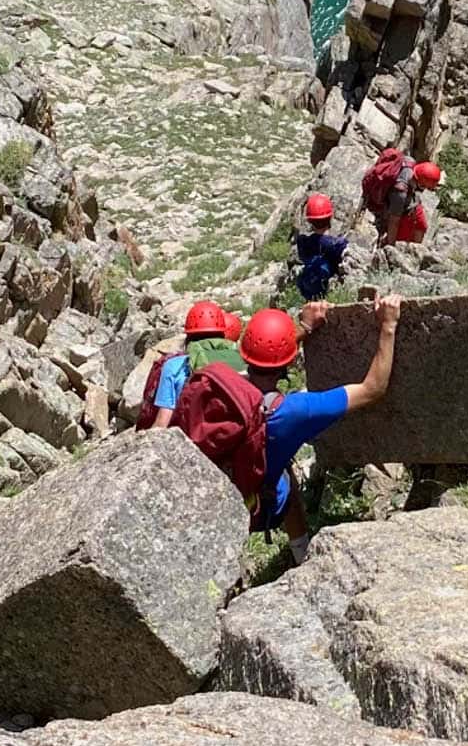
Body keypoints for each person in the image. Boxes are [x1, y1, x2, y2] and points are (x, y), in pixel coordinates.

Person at [241, 292, 402, 551]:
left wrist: (304, 327)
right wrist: (388, 326)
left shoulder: (226, 384)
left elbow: (265, 357)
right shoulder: (293, 411)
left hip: (218, 494)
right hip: (255, 507)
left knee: (280, 466)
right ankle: (301, 554)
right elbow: (373, 389)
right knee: (283, 473)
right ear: (291, 361)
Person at [139, 300, 245, 429]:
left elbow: (162, 422)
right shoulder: (241, 361)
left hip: (192, 440)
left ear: (188, 336)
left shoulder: (173, 366)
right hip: (236, 439)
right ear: (223, 335)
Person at [362, 150, 442, 252]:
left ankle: (415, 251)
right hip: (398, 209)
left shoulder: (410, 162)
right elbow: (394, 221)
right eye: (425, 187)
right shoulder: (400, 193)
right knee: (404, 234)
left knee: (422, 225)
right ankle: (400, 249)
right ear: (420, 184)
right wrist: (390, 248)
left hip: (410, 201)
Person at [291, 193, 351, 302]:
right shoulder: (336, 245)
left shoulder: (303, 242)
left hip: (308, 290)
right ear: (330, 218)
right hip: (327, 290)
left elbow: (302, 254)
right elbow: (344, 250)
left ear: (310, 221)